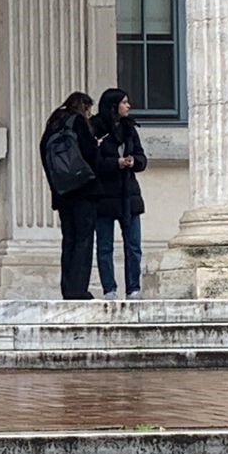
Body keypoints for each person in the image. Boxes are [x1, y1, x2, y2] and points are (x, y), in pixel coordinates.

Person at [91, 88, 149, 300]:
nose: (128, 106)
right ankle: (109, 289)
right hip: (104, 194)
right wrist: (115, 163)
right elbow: (92, 161)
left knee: (133, 245)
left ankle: (133, 288)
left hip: (128, 193)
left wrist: (134, 162)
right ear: (113, 105)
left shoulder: (129, 128)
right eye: (124, 102)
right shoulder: (96, 127)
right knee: (105, 246)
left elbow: (141, 157)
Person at [45, 92, 102, 300]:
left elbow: (46, 158)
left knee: (68, 240)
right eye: (89, 109)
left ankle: (68, 288)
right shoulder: (77, 122)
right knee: (83, 240)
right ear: (84, 107)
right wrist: (96, 145)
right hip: (83, 191)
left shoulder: (53, 123)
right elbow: (90, 153)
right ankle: (79, 289)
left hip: (62, 193)